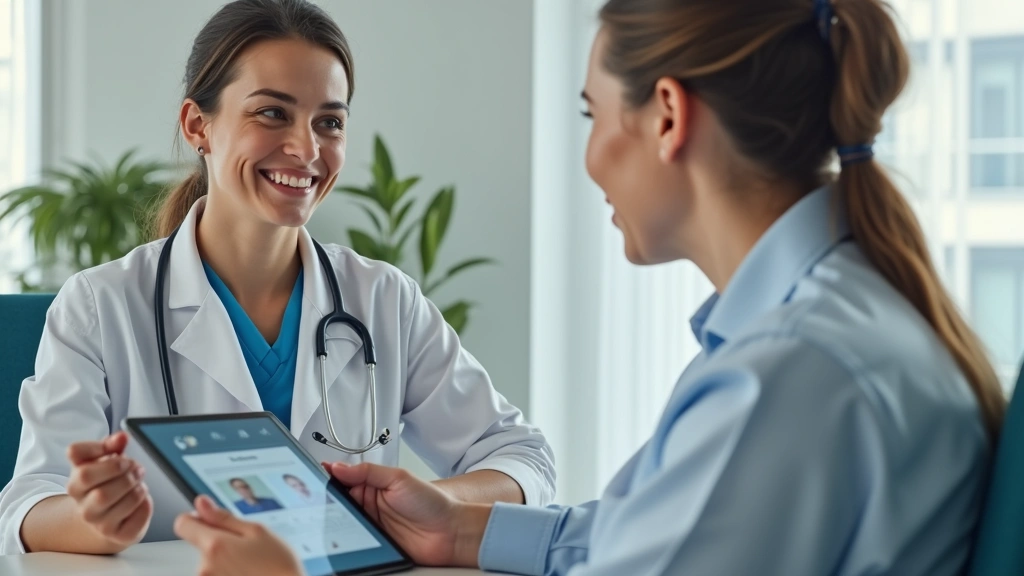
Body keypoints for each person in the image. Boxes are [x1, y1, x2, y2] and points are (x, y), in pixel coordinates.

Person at [174, 0, 1008, 574]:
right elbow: (650, 542)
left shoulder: (787, 376)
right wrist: (465, 530)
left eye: (591, 115)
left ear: (668, 118)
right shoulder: (835, 322)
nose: (589, 156)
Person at [0, 0, 555, 556]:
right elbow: (27, 505)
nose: (306, 149)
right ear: (199, 125)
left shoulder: (383, 300)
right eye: (272, 113)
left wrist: (419, 507)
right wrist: (96, 519)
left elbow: (522, 459)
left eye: (329, 122)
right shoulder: (102, 306)